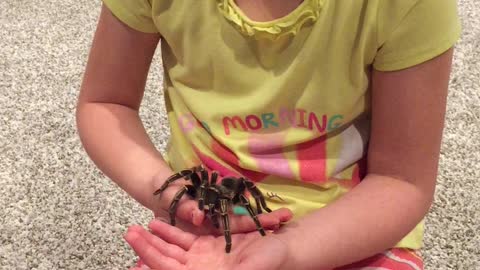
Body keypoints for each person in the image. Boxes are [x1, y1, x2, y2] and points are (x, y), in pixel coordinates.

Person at [76, 0, 461, 269]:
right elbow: (106, 103)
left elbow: (402, 180)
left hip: (356, 233)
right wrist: (170, 193)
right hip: (200, 238)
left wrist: (289, 249)